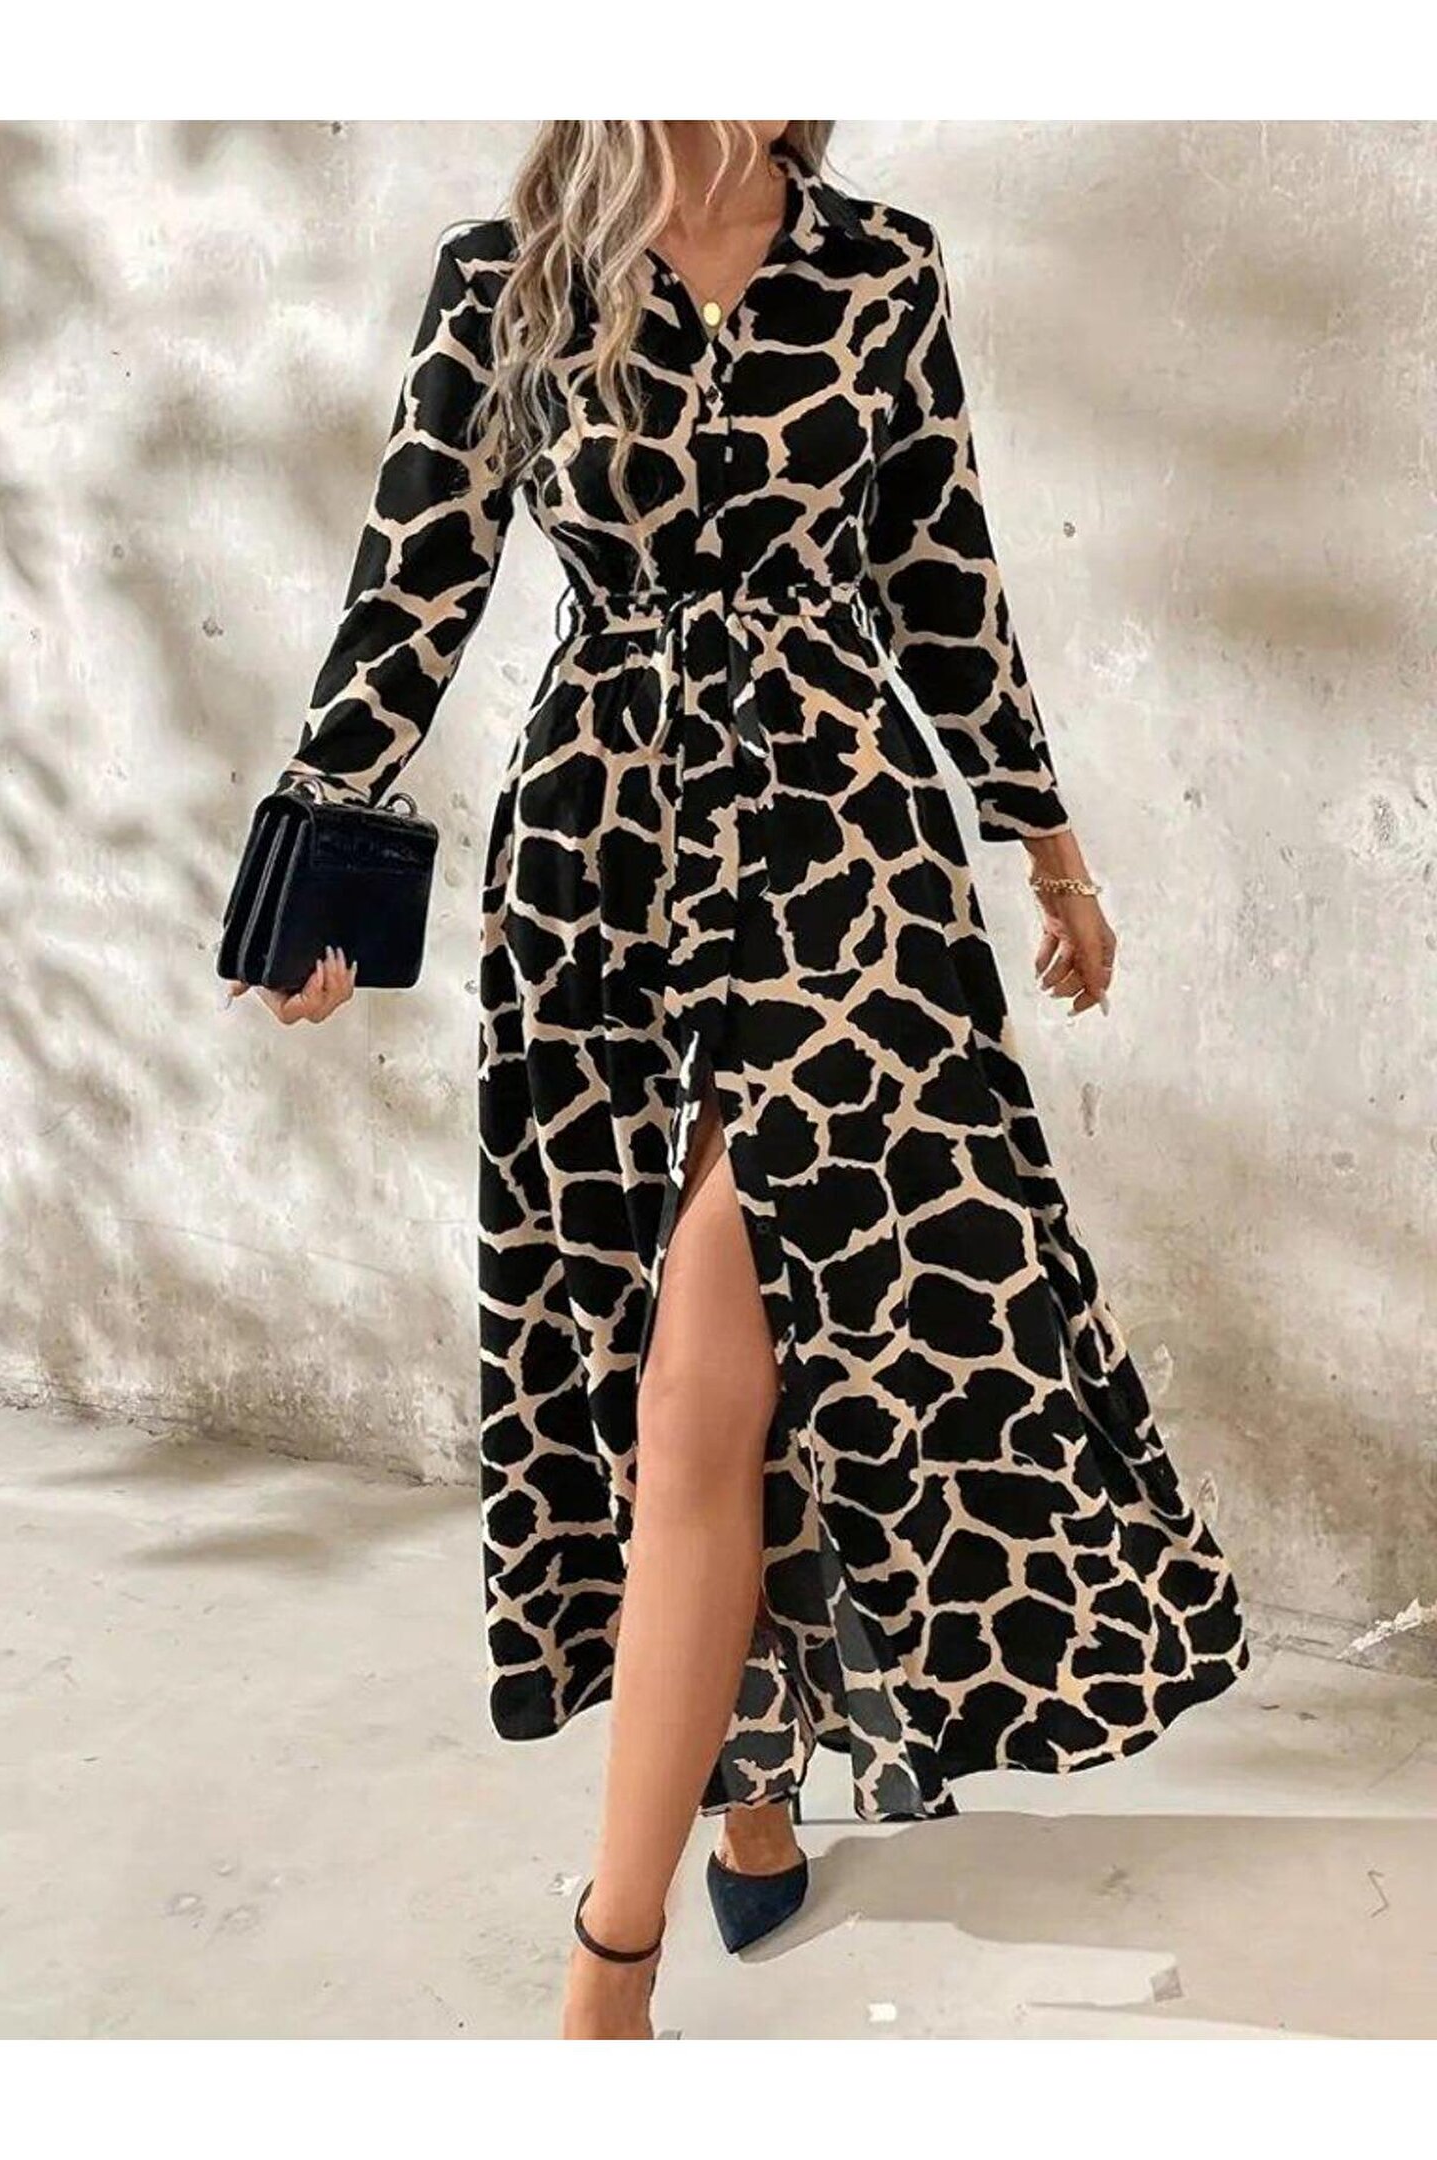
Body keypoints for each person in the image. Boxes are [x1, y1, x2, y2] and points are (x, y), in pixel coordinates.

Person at [228, 120, 1248, 2040]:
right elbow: (414, 578)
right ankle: (752, 1784)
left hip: (844, 861)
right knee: (677, 1373)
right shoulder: (508, 274)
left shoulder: (882, 268)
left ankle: (605, 1971)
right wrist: (319, 872)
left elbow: (941, 573)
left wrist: (1050, 849)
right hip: (599, 864)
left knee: (711, 1380)